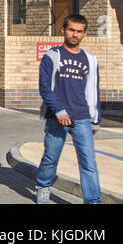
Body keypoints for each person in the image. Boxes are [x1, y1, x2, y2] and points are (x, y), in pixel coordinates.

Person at [34, 13, 101, 204]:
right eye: (71, 30)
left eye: (79, 31)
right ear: (63, 30)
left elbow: (93, 90)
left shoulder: (90, 59)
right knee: (51, 157)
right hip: (57, 117)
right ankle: (43, 187)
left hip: (81, 117)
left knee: (88, 162)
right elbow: (45, 88)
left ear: (84, 34)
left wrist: (96, 119)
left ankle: (93, 200)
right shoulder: (52, 56)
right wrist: (59, 111)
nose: (75, 35)